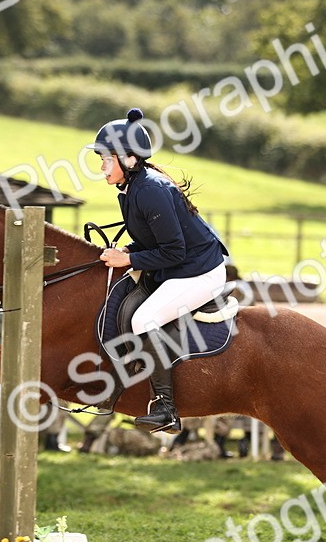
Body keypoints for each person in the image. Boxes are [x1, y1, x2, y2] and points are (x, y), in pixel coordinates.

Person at [92, 108, 229, 434]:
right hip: (180, 266)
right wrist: (130, 250)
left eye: (105, 159)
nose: (101, 167)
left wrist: (129, 260)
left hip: (199, 272)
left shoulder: (150, 190)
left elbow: (173, 250)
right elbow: (152, 240)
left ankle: (167, 409)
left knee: (144, 319)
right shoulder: (131, 189)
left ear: (127, 158)